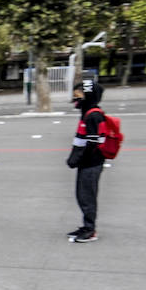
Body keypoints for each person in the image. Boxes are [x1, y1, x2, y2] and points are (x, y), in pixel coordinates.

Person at [66, 78, 108, 243]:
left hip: (91, 163)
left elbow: (93, 143)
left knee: (87, 197)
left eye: (78, 96)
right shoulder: (87, 113)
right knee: (82, 195)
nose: (75, 101)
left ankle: (90, 229)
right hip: (85, 163)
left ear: (88, 96)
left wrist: (77, 159)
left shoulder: (93, 115)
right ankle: (86, 225)